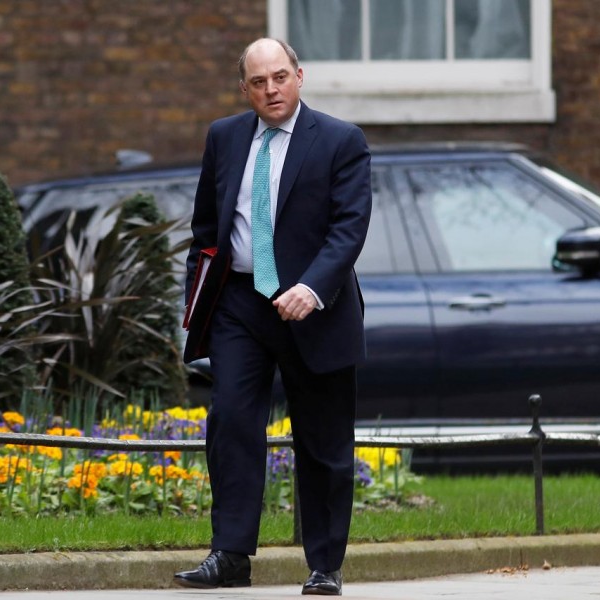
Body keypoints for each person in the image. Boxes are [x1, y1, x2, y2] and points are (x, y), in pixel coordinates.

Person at [174, 38, 371, 596]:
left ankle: (325, 566)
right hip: (239, 305)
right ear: (245, 88)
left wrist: (313, 287)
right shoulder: (224, 136)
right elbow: (206, 229)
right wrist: (198, 302)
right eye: (259, 82)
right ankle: (231, 556)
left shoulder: (340, 141)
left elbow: (349, 228)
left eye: (280, 77)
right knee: (232, 421)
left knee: (324, 441)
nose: (271, 90)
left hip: (315, 309)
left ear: (300, 76)